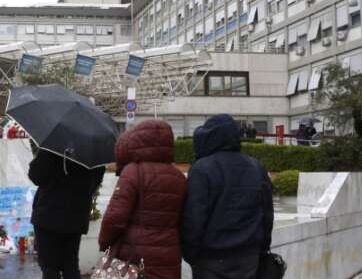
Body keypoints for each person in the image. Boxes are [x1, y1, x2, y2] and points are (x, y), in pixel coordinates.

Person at [181, 114, 274, 279]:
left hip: (211, 258)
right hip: (249, 257)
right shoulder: (256, 166)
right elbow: (267, 213)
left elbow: (194, 218)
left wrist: (191, 254)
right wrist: (262, 247)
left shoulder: (201, 169)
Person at [98, 120, 187, 278]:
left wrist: (104, 242)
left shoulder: (133, 172)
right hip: (169, 255)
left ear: (138, 142)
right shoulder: (179, 177)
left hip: (135, 255)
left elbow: (115, 216)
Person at [29, 149, 105, 279]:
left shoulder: (53, 146)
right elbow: (96, 180)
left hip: (49, 214)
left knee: (49, 267)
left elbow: (36, 176)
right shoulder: (92, 150)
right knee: (70, 265)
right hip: (76, 215)